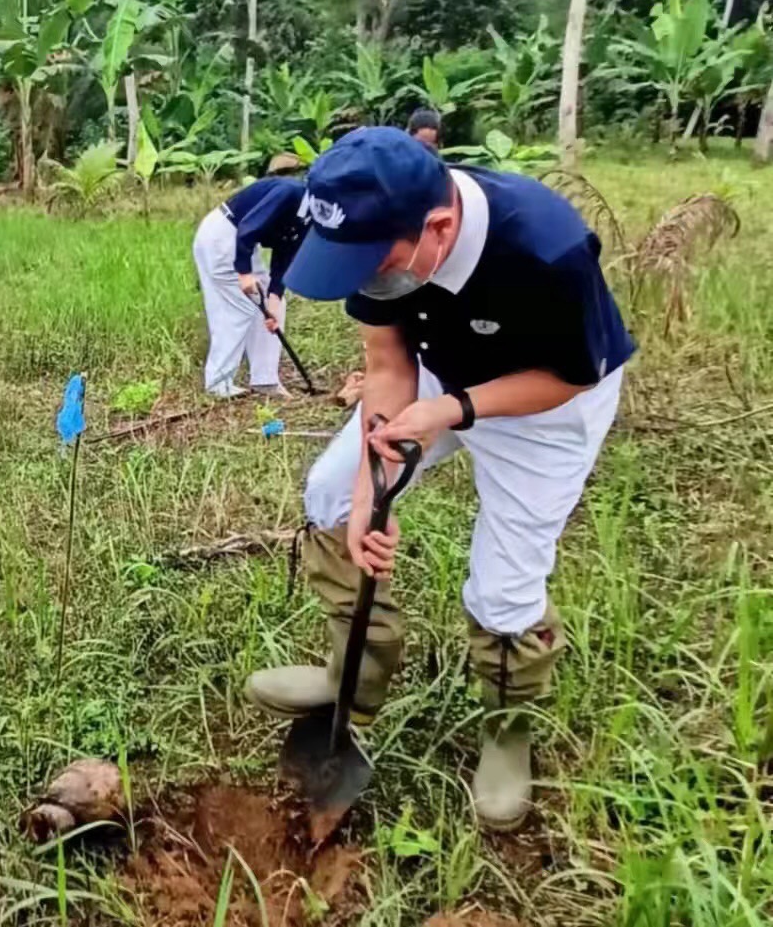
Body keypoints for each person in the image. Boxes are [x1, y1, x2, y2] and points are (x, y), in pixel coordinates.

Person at [244, 127, 635, 831]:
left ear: (440, 227)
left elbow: (572, 375)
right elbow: (388, 363)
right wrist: (370, 495)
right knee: (331, 497)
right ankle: (351, 680)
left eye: (371, 261)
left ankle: (506, 728)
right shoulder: (378, 241)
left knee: (503, 585)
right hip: (433, 372)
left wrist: (453, 409)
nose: (359, 276)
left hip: (545, 402)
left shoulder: (546, 248)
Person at [193, 171, 311, 399]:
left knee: (272, 302)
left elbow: (286, 251)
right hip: (224, 236)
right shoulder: (290, 192)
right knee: (238, 307)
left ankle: (265, 379)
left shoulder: (313, 216)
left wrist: (275, 296)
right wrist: (244, 272)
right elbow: (248, 226)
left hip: (240, 240)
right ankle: (218, 383)